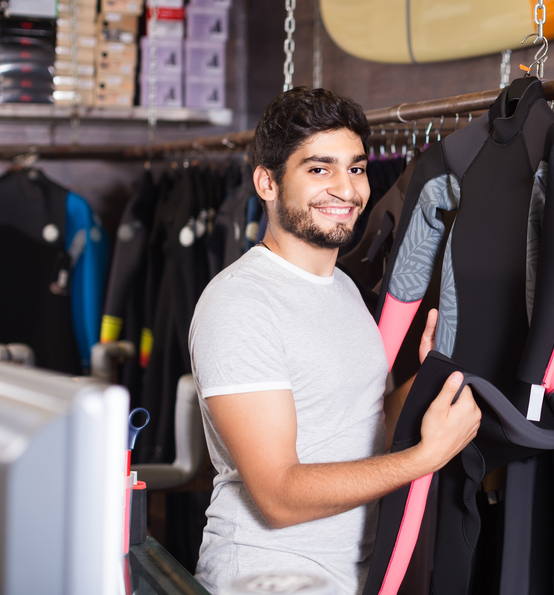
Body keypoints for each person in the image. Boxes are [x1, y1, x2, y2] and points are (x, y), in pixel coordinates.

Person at [188, 87, 482, 594]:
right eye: (319, 170)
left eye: (357, 168)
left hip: (353, 576)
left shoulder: (343, 287)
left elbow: (368, 424)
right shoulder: (239, 304)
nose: (346, 190)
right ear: (267, 182)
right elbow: (278, 496)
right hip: (266, 578)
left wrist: (431, 371)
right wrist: (425, 458)